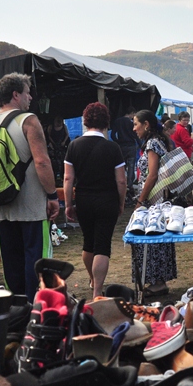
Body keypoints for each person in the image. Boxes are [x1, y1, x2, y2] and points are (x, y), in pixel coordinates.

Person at [0, 73, 59, 301]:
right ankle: (37, 306)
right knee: (37, 261)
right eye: (27, 92)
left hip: (2, 207)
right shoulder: (28, 120)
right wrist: (52, 195)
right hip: (31, 207)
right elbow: (42, 162)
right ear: (15, 95)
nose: (30, 97)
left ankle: (17, 306)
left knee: (11, 261)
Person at [64, 103, 126, 299]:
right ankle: (98, 290)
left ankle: (92, 279)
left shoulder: (74, 146)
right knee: (102, 246)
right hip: (107, 200)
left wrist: (68, 204)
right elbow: (121, 180)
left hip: (84, 200)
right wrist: (121, 202)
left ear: (85, 121)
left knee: (88, 243)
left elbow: (68, 178)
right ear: (106, 123)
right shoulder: (113, 148)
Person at [132, 110, 177, 295]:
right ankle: (159, 280)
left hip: (153, 200)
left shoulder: (152, 144)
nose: (134, 129)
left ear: (146, 125)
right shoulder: (159, 141)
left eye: (136, 124)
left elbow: (152, 175)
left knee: (152, 239)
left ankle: (158, 282)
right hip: (159, 199)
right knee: (157, 239)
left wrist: (141, 200)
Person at [111, 108, 140, 200]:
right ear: (131, 113)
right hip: (131, 146)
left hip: (122, 147)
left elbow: (112, 135)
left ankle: (121, 184)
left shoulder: (118, 121)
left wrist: (118, 142)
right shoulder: (131, 123)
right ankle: (129, 187)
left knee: (121, 167)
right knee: (131, 167)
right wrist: (141, 145)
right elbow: (136, 136)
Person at [45, 115, 70, 187]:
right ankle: (55, 177)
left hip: (62, 145)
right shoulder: (51, 127)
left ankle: (62, 176)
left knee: (62, 161)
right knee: (54, 162)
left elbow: (67, 134)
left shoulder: (64, 127)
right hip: (53, 145)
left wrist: (64, 142)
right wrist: (52, 143)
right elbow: (48, 136)